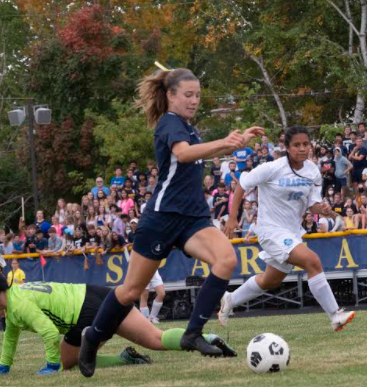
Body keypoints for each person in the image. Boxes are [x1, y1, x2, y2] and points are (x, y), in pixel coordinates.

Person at [78, 67, 263, 378]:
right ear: (170, 96)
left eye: (198, 96)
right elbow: (185, 154)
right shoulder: (169, 123)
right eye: (188, 95)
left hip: (192, 218)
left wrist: (237, 142)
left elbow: (196, 151)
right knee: (131, 289)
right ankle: (93, 337)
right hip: (161, 219)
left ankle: (193, 333)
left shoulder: (190, 127)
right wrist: (225, 143)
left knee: (226, 258)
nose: (194, 101)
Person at [0, 270, 236, 376]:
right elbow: (11, 337)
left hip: (83, 313)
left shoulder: (18, 304)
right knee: (156, 339)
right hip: (99, 294)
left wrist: (52, 365)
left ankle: (118, 355)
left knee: (67, 362)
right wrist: (3, 368)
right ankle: (206, 339)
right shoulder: (13, 302)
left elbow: (50, 332)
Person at [220, 125, 355, 332]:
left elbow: (313, 204)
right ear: (287, 147)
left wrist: (324, 208)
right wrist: (231, 218)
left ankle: (230, 299)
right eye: (297, 145)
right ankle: (335, 315)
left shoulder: (312, 172)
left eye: (306, 144)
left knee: (270, 280)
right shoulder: (272, 168)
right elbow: (242, 185)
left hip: (292, 232)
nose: (302, 149)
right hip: (270, 230)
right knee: (312, 261)